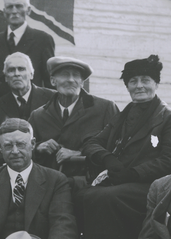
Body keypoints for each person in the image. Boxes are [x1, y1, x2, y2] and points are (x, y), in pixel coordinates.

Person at [76, 55, 171, 239]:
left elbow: (169, 160)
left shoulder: (169, 118)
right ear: (127, 86)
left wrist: (133, 173)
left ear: (156, 83)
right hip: (121, 182)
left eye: (145, 80)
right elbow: (91, 143)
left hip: (152, 186)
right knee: (84, 196)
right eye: (133, 81)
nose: (139, 86)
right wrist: (107, 158)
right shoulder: (122, 116)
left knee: (109, 198)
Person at [29, 56, 119, 189]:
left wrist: (80, 154)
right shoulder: (38, 115)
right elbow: (24, 150)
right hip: (49, 187)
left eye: (76, 75)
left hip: (91, 186)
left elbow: (118, 149)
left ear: (82, 82)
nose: (71, 80)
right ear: (53, 81)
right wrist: (38, 148)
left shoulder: (105, 108)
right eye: (65, 75)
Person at [0, 0, 55, 103]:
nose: (14, 11)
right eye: (10, 7)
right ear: (4, 12)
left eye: (19, 6)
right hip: (0, 109)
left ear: (28, 10)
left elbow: (50, 81)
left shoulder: (43, 40)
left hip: (32, 108)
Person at [0, 53, 56, 126]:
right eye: (11, 70)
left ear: (31, 75)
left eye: (21, 69)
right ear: (6, 78)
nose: (16, 74)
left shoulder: (53, 98)